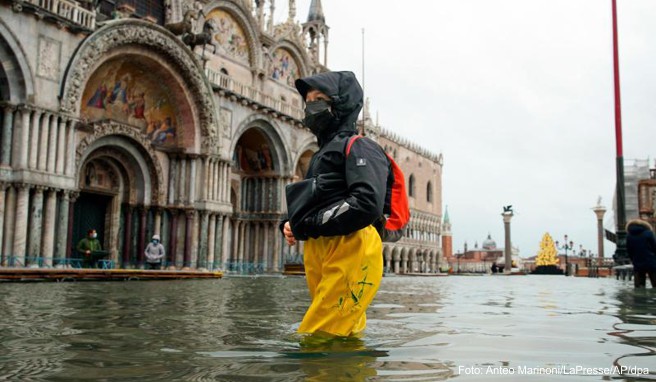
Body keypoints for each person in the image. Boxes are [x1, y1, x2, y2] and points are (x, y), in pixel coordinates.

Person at [281, 71, 389, 337]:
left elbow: (366, 203)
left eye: (319, 98)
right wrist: (290, 223)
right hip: (323, 248)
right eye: (308, 100)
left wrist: (309, 225)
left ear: (341, 102)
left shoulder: (361, 147)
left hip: (351, 245)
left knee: (319, 336)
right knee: (343, 331)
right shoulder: (321, 154)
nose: (311, 106)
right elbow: (319, 197)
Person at [626, 219, 656, 288]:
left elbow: (629, 251)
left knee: (639, 287)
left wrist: (633, 260)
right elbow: (654, 247)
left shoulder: (629, 236)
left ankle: (641, 298)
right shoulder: (649, 233)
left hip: (637, 263)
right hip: (651, 262)